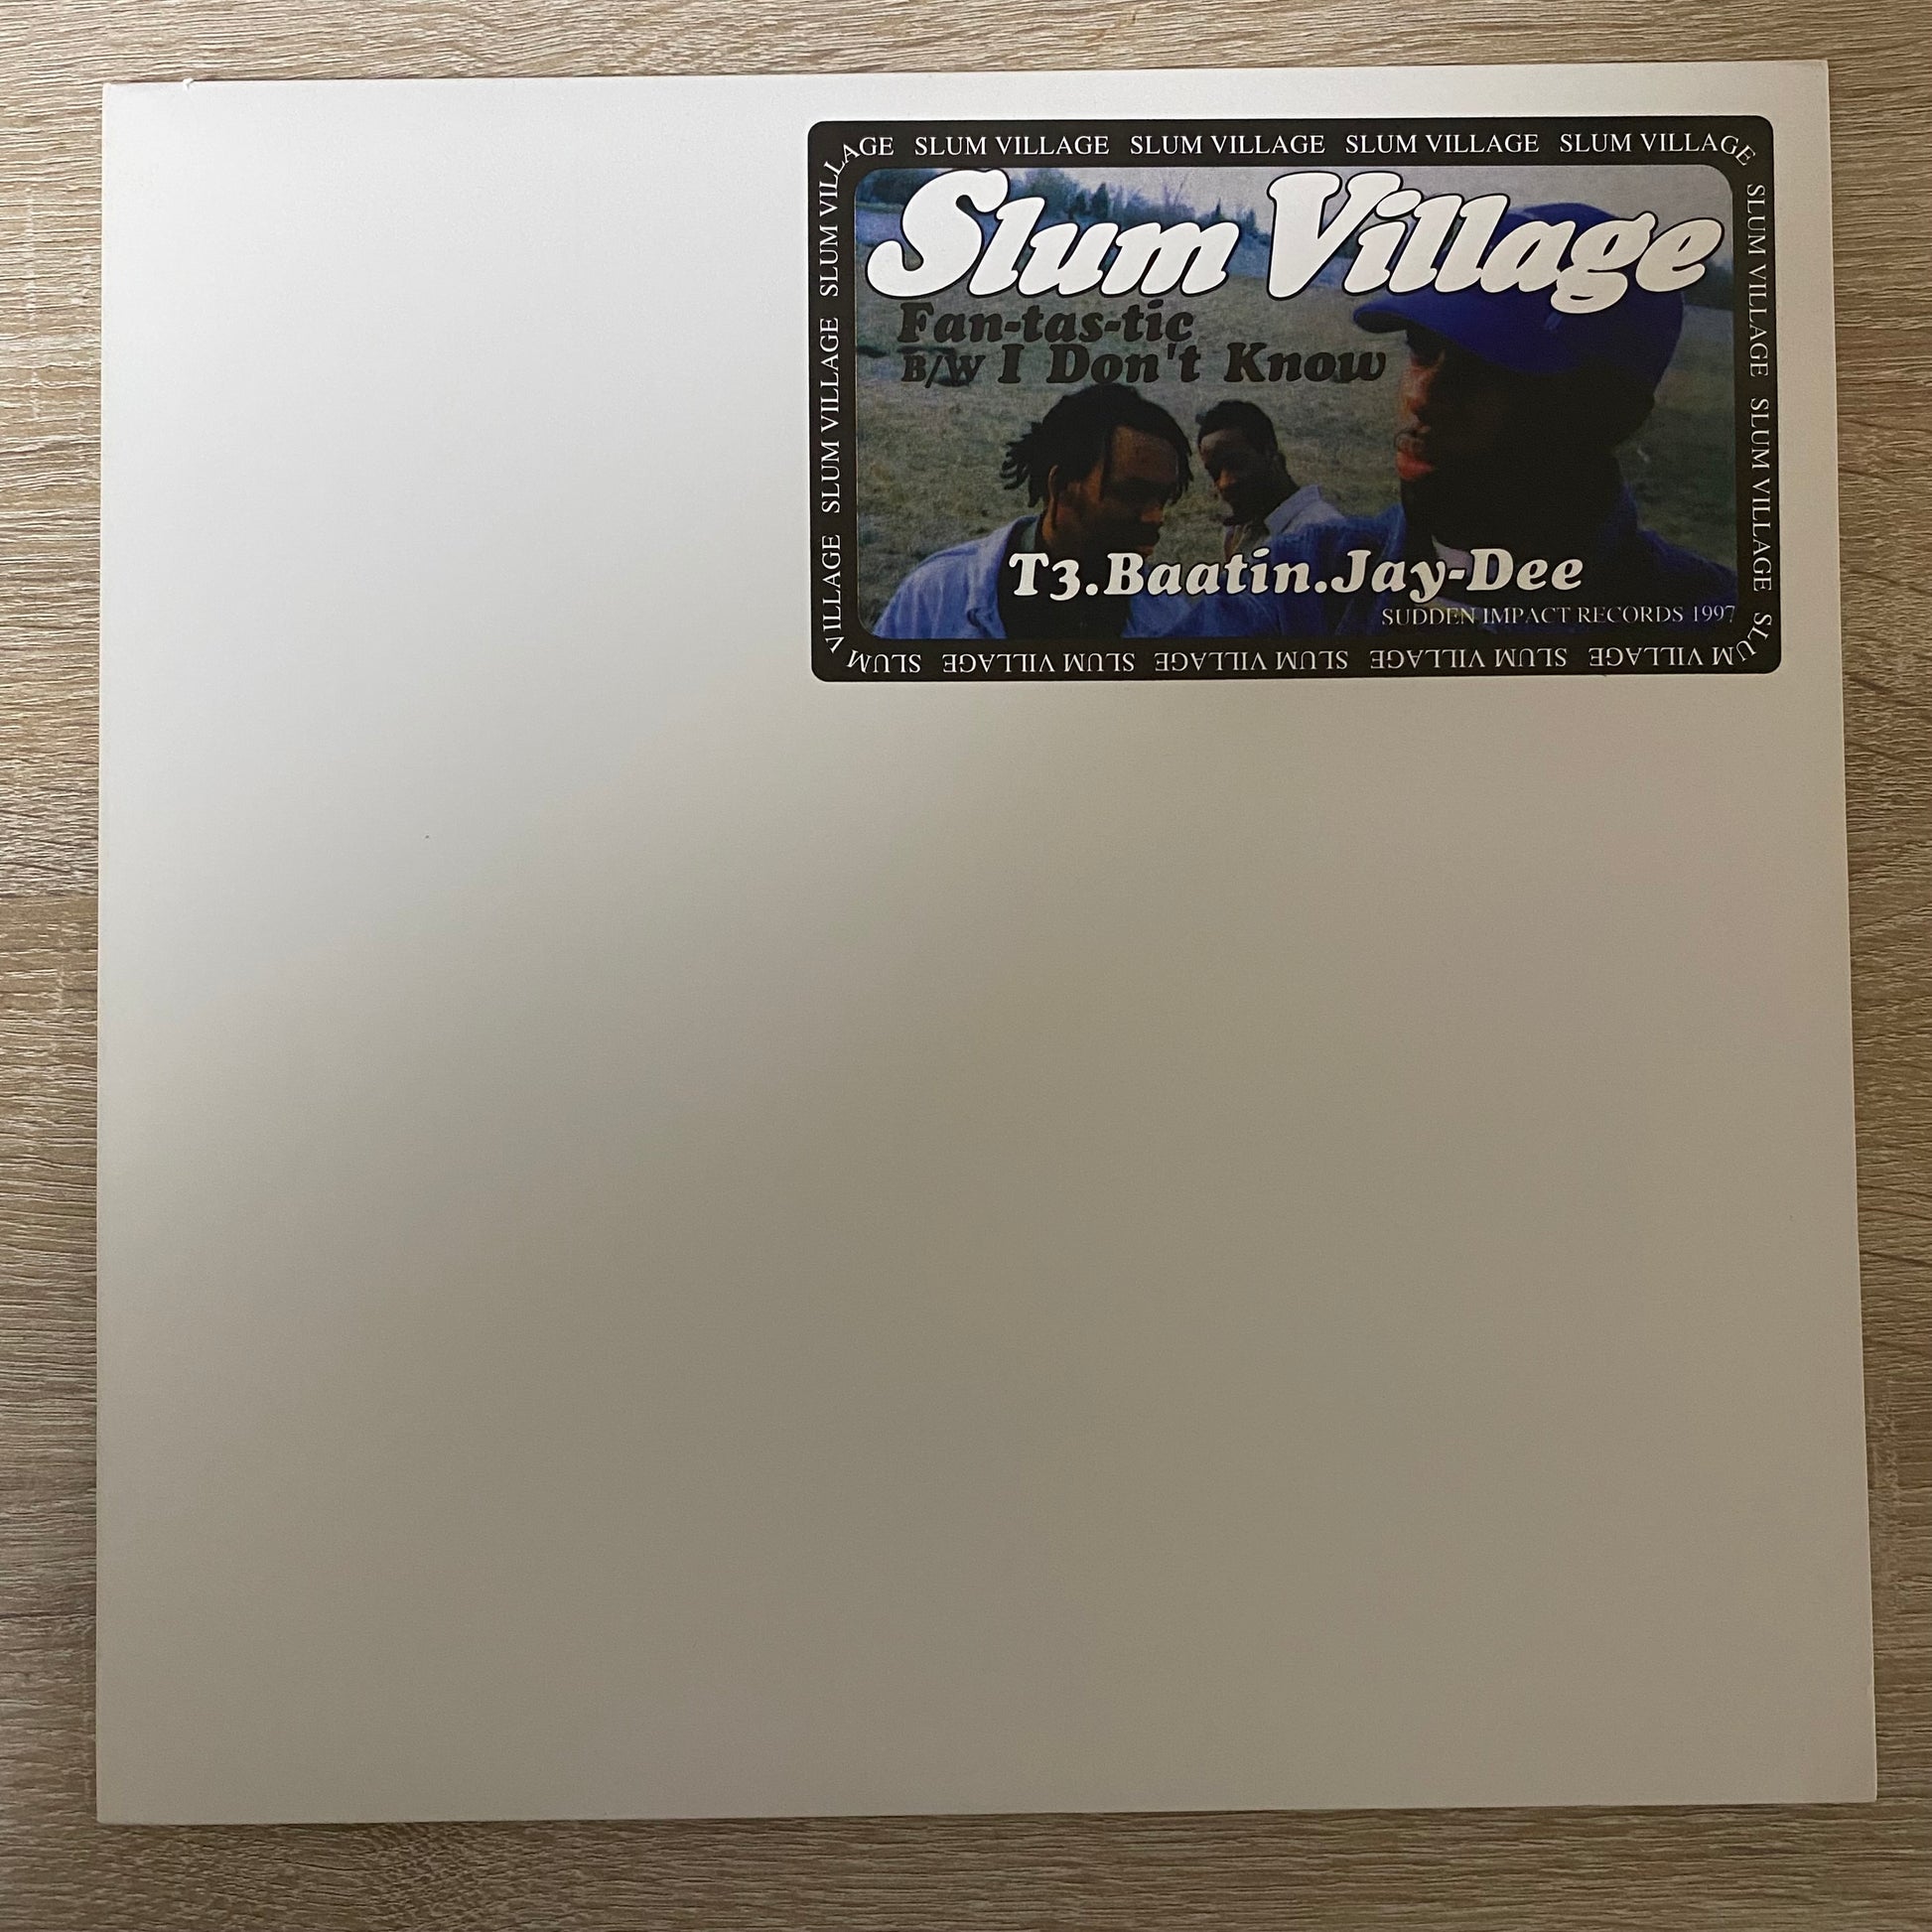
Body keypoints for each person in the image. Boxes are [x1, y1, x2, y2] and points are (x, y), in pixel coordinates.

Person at [1168, 203, 1736, 638]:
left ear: (1611, 415)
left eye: (1489, 366)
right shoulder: (1305, 586)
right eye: (1421, 348)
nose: (1422, 395)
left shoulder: (1709, 624)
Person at [874, 383, 1192, 641]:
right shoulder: (938, 595)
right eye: (1132, 494)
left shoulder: (1169, 616)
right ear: (1062, 485)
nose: (1155, 517)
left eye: (1164, 498)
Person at [1195, 399, 1341, 561]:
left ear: (1269, 453)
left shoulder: (1323, 536)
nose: (1224, 483)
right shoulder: (1241, 530)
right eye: (1214, 473)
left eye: (1236, 464)